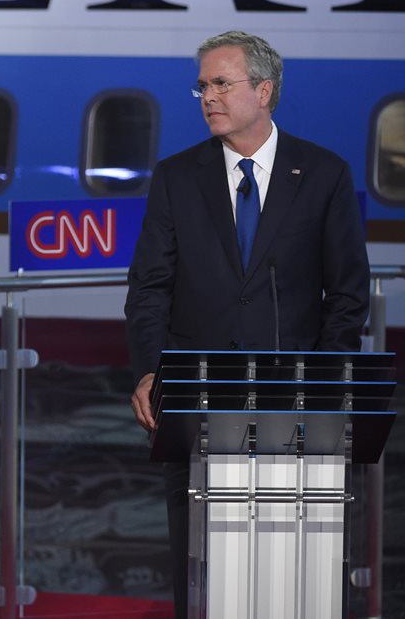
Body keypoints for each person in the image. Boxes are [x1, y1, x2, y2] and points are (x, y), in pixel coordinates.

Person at [124, 31, 369, 618]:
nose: (208, 97)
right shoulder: (177, 176)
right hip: (196, 403)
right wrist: (150, 371)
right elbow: (149, 288)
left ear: (263, 91)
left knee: (295, 577)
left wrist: (323, 382)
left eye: (221, 83)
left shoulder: (323, 173)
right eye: (202, 86)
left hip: (296, 407)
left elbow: (347, 294)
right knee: (205, 576)